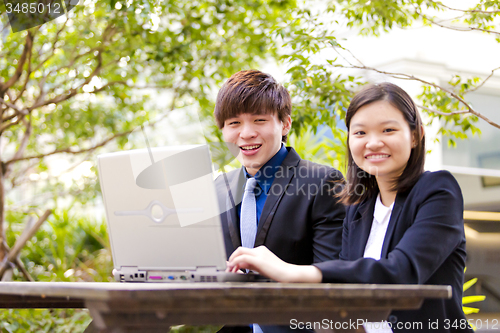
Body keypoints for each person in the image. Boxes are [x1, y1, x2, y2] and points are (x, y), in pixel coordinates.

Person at [227, 82, 472, 333]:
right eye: (360, 133)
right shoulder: (358, 208)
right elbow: (345, 294)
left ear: (416, 135)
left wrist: (291, 272)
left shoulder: (438, 190)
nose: (373, 143)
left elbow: (402, 272)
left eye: (388, 130)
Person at [214, 70, 346, 333]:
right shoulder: (216, 189)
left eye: (259, 120)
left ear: (285, 124)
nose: (247, 133)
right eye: (234, 123)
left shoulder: (323, 182)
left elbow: (332, 276)